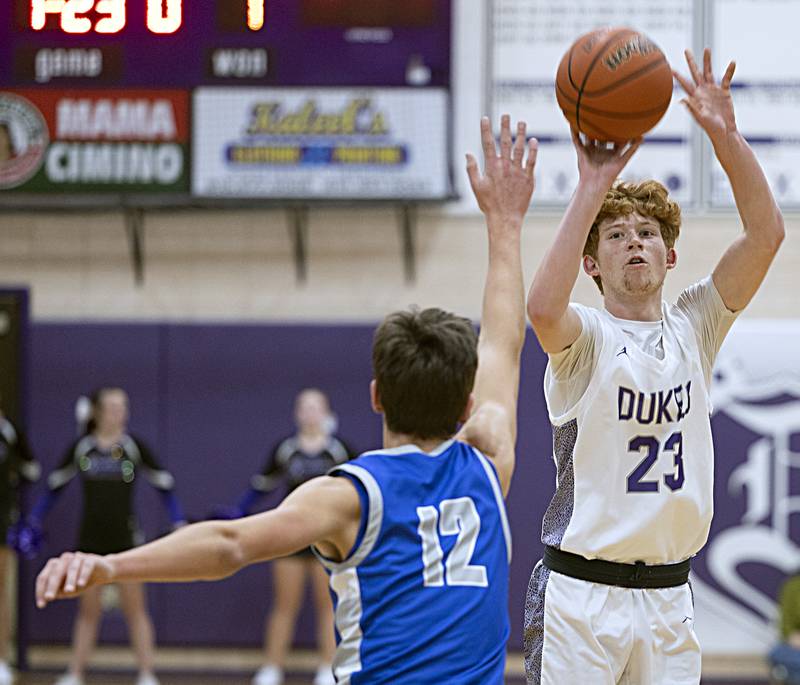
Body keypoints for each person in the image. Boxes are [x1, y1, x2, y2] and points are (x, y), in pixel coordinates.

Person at [34, 114, 538, 684]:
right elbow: (503, 340)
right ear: (466, 405)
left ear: (376, 396)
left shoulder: (350, 495)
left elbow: (229, 544)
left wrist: (107, 565)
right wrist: (507, 223)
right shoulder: (490, 459)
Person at [524, 48, 784, 684]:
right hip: (582, 597)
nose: (633, 240)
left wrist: (725, 136)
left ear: (670, 258)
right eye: (615, 235)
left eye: (646, 233)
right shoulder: (586, 334)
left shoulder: (696, 324)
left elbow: (766, 234)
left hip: (670, 598)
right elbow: (541, 307)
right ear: (594, 265)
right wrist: (590, 190)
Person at [22, 388, 186, 685]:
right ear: (97, 412)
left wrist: (178, 521)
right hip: (91, 539)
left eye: (123, 406)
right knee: (88, 611)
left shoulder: (133, 447)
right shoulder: (82, 448)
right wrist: (33, 520)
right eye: (112, 406)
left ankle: (147, 674)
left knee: (135, 609)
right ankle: (75, 673)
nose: (119, 412)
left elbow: (165, 485)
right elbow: (53, 488)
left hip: (126, 538)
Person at [227, 389, 351, 685]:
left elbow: (355, 489)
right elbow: (261, 486)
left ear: (326, 413)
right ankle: (272, 667)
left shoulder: (339, 451)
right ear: (297, 414)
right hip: (292, 538)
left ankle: (326, 667)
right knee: (285, 605)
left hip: (328, 538)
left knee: (327, 604)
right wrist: (237, 512)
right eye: (304, 408)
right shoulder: (286, 450)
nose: (310, 413)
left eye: (315, 407)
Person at [0, 395, 40, 685]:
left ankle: (1, 658)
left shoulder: (9, 431)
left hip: (2, 521)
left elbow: (32, 470)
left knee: (1, 590)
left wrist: (13, 463)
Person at [768, 572, 800, 685]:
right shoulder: (793, 585)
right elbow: (786, 628)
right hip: (795, 650)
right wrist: (792, 637)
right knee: (777, 654)